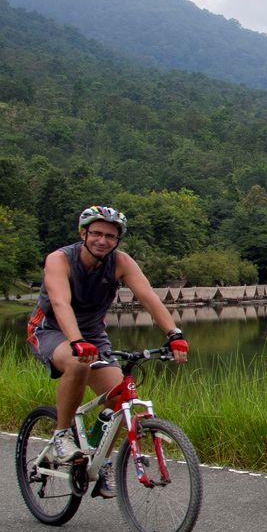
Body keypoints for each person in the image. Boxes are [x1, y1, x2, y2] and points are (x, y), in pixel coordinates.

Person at [26, 206, 189, 498]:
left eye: (111, 236)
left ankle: (100, 459)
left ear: (118, 240)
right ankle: (62, 436)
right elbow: (61, 303)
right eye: (97, 233)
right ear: (83, 233)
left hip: (92, 336)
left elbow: (149, 298)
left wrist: (175, 334)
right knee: (78, 364)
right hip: (51, 330)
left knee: (121, 395)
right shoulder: (60, 259)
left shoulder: (120, 263)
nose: (103, 240)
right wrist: (76, 341)